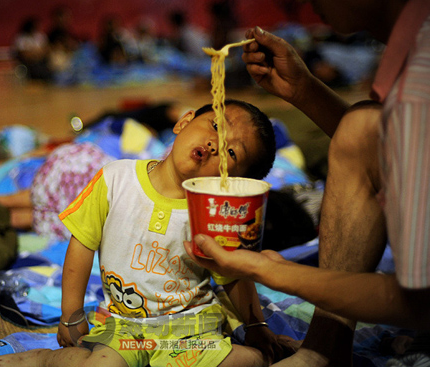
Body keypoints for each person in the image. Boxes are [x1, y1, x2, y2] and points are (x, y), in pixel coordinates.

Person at [183, 0, 430, 365]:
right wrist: (304, 90)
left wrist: (274, 272)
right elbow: (390, 149)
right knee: (361, 123)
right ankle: (324, 350)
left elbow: (419, 301)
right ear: (182, 122)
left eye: (231, 153)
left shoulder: (418, 86)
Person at [0, 99, 300, 367]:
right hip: (126, 328)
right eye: (216, 126)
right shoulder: (116, 179)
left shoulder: (212, 214)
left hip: (190, 332)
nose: (214, 144)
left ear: (231, 182)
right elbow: (82, 245)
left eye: (231, 152)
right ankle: (49, 360)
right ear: (184, 122)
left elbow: (233, 275)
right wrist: (71, 314)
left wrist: (257, 324)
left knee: (248, 361)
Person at [11, 17, 52, 81]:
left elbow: (46, 50)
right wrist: (36, 53)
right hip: (28, 63)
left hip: (41, 62)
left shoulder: (40, 36)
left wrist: (35, 53)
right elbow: (24, 54)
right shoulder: (21, 38)